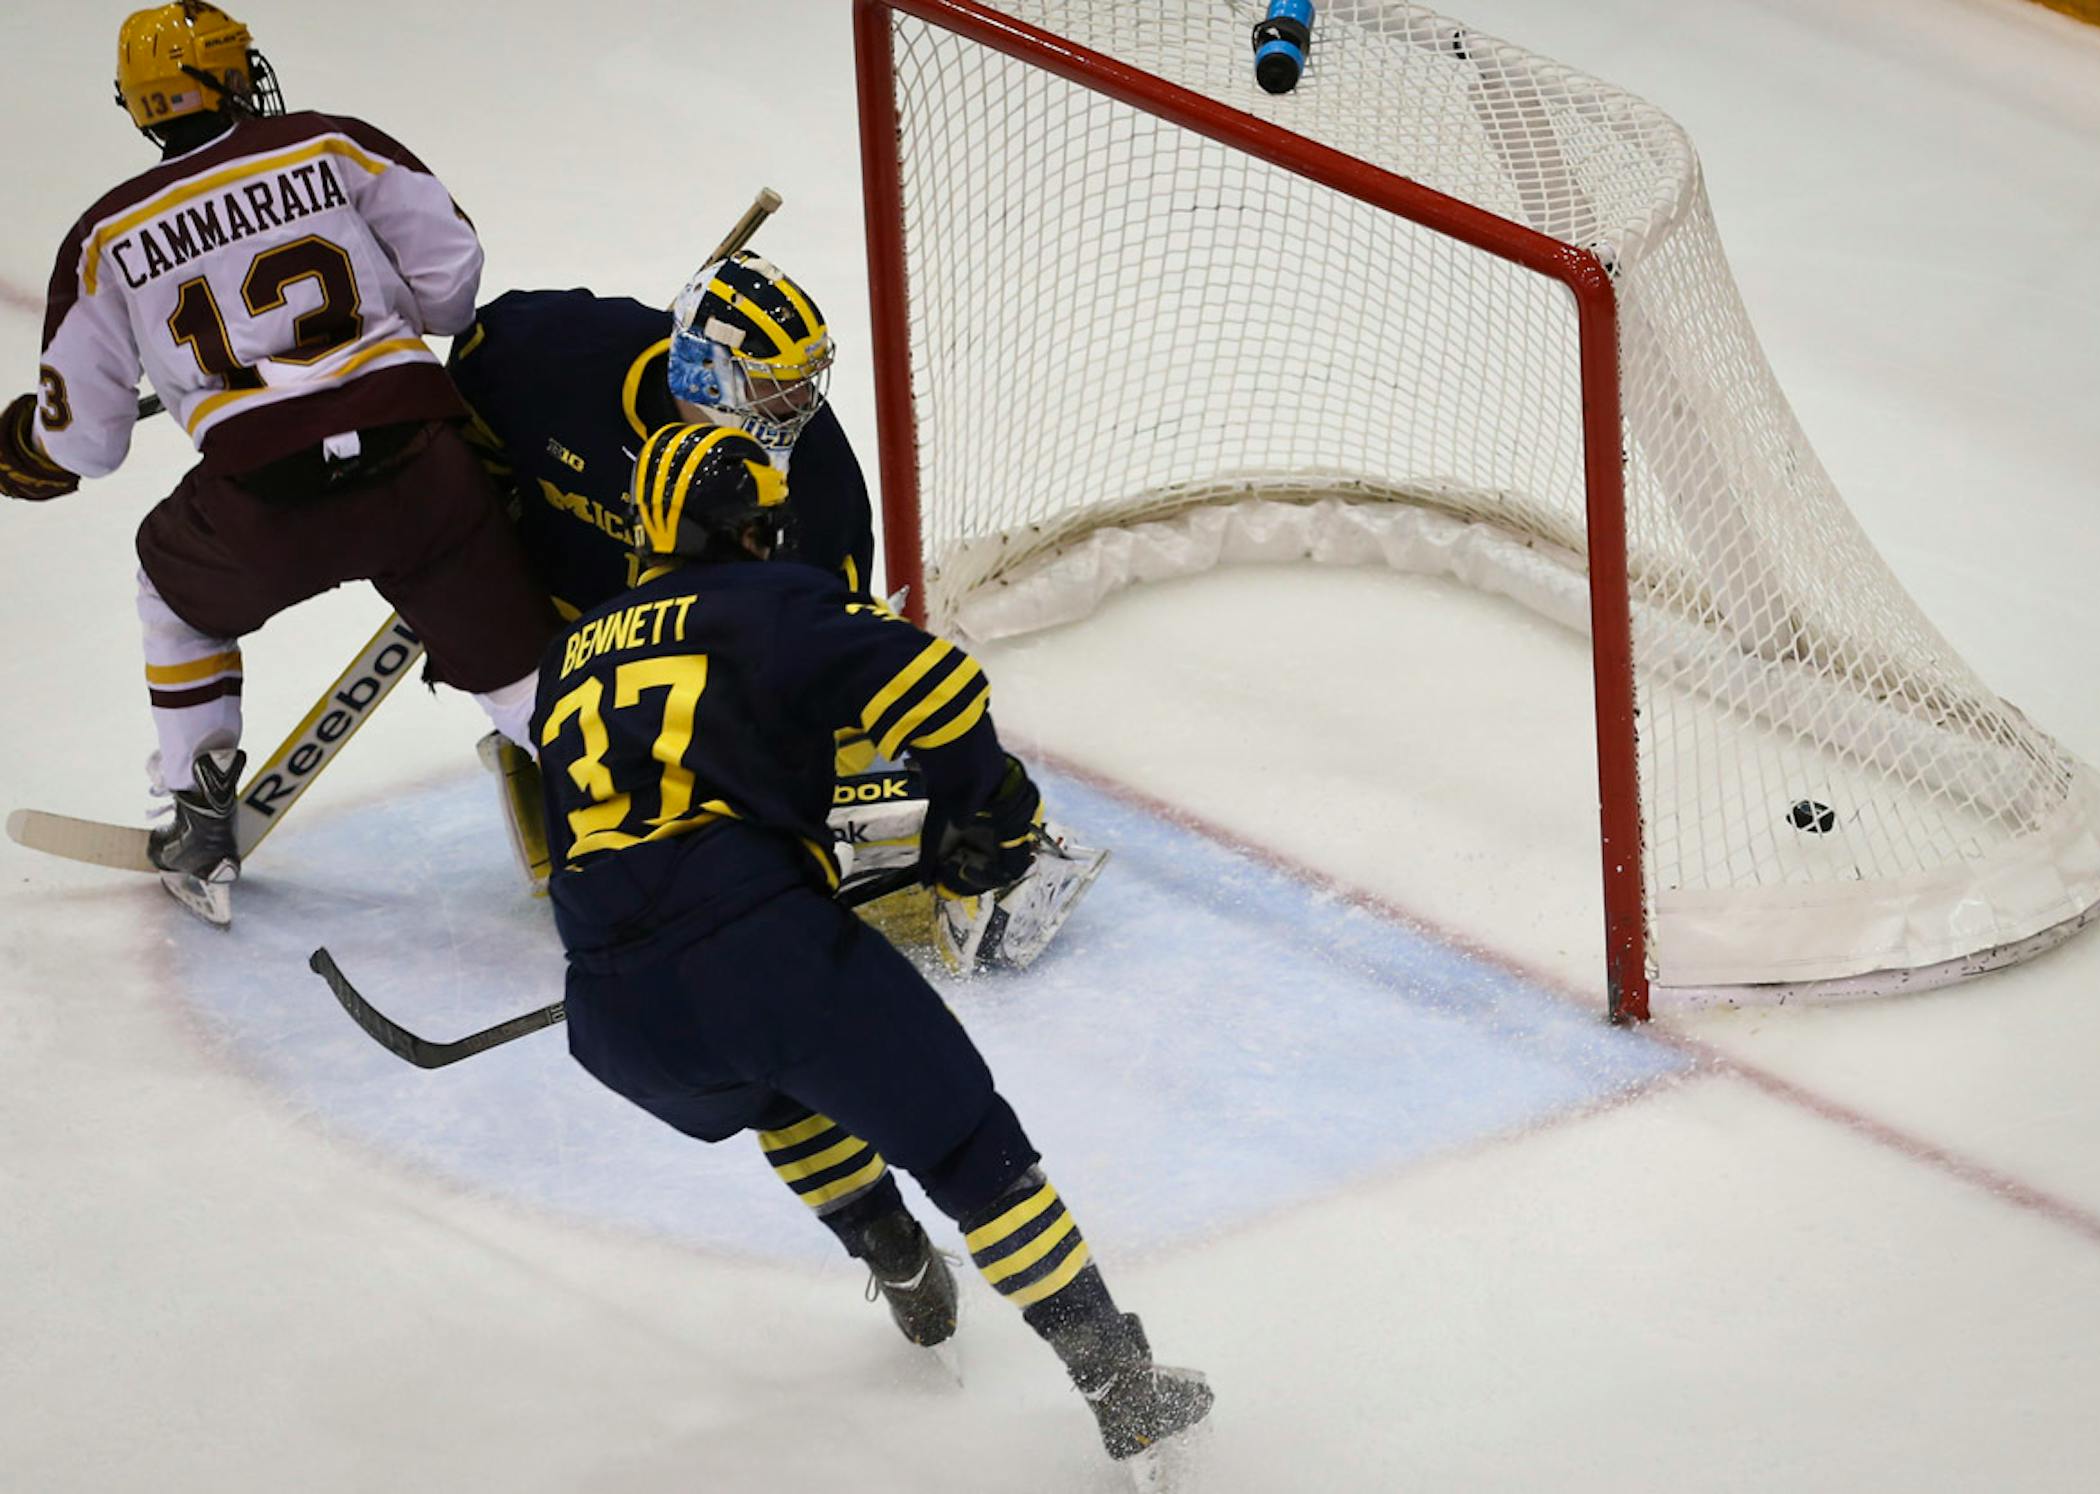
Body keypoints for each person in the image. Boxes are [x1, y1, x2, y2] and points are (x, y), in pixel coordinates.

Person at [530, 421, 1212, 1475]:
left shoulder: (570, 652)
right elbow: (938, 691)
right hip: (757, 948)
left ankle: (895, 1259)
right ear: (745, 531)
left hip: (614, 1000)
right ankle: (1126, 1391)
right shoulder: (766, 600)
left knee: (780, 1095)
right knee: (964, 1144)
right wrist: (990, 810)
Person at [0, 3, 558, 925]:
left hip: (265, 506)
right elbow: (453, 287)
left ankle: (200, 815)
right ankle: (650, 816)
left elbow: (85, 442)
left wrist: (32, 443)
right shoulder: (332, 143)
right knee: (518, 678)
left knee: (172, 595)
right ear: (228, 78)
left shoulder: (107, 233)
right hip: (422, 472)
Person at [450, 253, 1105, 971]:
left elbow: (829, 668)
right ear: (702, 373)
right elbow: (474, 381)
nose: (795, 407)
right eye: (771, 388)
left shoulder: (815, 489)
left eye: (802, 385)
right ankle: (556, 760)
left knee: (801, 767)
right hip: (565, 628)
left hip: (693, 651)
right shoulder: (555, 352)